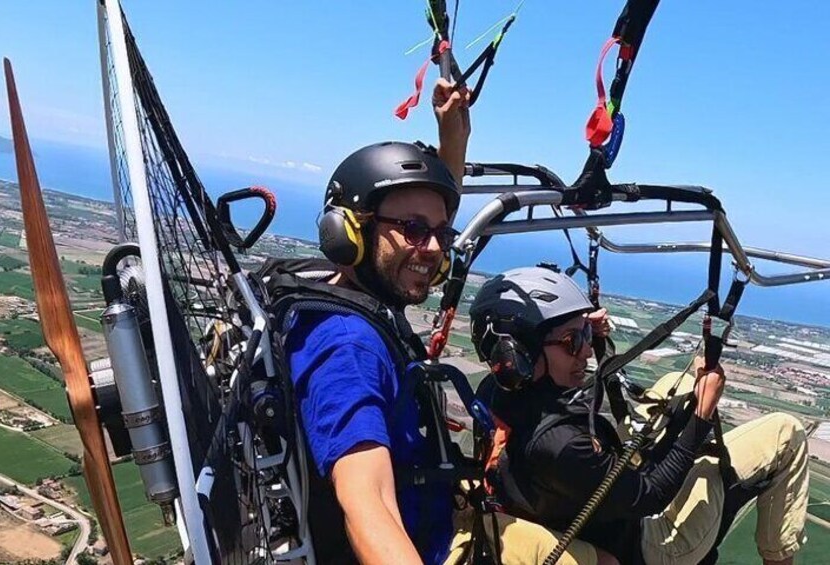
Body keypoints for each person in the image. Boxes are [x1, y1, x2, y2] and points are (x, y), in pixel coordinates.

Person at [273, 82, 606, 564]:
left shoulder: (351, 291)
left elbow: (421, 226)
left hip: (438, 510)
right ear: (351, 232)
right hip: (432, 545)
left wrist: (453, 137)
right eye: (413, 229)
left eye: (440, 233)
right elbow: (367, 502)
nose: (431, 248)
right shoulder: (347, 348)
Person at [469, 265, 809, 565]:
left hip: (588, 508)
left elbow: (571, 410)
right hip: (648, 545)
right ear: (524, 353)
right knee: (786, 432)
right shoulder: (562, 446)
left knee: (679, 382)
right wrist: (701, 416)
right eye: (573, 341)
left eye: (585, 333)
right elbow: (651, 495)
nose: (585, 350)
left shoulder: (498, 391)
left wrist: (588, 334)